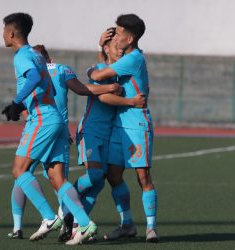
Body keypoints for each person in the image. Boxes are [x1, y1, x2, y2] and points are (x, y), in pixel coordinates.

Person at [8, 44, 121, 242]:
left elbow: (26, 105)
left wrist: (20, 109)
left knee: (20, 172)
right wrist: (109, 86)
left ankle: (25, 225)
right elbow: (81, 89)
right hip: (59, 127)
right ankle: (80, 224)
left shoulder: (29, 70)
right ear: (48, 58)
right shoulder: (61, 69)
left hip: (39, 124)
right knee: (59, 180)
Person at [1, 12, 97, 245]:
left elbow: (33, 78)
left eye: (4, 30)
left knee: (19, 170)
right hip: (54, 119)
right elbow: (49, 88)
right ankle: (85, 224)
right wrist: (23, 104)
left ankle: (48, 217)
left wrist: (17, 102)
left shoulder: (22, 55)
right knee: (57, 178)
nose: (2, 35)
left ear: (12, 33)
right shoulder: (37, 55)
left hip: (42, 119)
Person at [88, 14, 159, 243]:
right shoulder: (126, 57)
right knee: (113, 174)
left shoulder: (133, 59)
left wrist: (91, 70)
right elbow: (106, 64)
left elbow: (98, 73)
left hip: (137, 123)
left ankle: (151, 227)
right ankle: (127, 224)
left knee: (142, 175)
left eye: (118, 33)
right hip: (119, 124)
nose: (115, 37)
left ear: (129, 38)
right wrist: (101, 46)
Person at [71, 27, 146, 241]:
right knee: (95, 177)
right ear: (106, 48)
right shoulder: (100, 69)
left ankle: (84, 225)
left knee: (107, 179)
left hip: (111, 133)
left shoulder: (119, 71)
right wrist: (130, 100)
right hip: (92, 131)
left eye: (122, 46)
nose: (121, 50)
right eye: (116, 47)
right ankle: (66, 202)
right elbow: (103, 96)